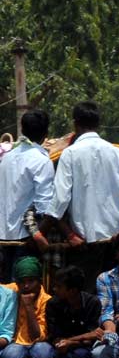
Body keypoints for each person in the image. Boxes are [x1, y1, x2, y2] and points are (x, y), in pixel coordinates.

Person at [47, 102, 119, 292]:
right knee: (113, 296)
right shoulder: (115, 153)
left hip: (82, 243)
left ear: (75, 124)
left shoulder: (69, 154)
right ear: (98, 124)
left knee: (85, 299)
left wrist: (68, 234)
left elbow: (59, 201)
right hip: (114, 239)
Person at [0, 110, 54, 281]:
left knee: (6, 292)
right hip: (27, 239)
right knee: (26, 292)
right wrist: (40, 236)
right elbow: (44, 205)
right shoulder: (41, 160)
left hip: (3, 237)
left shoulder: (7, 158)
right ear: (46, 133)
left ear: (22, 131)